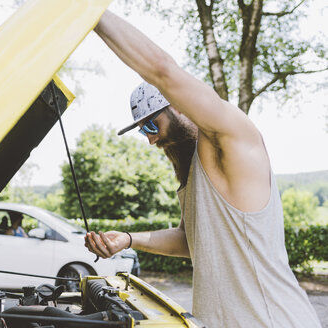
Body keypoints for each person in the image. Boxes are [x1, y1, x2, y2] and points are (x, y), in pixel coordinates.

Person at [84, 10, 321, 328]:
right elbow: (191, 240)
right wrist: (128, 239)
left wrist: (87, 12)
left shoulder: (232, 134)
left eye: (152, 124)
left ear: (180, 106)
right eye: (142, 130)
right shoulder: (191, 170)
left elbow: (163, 71)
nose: (150, 139)